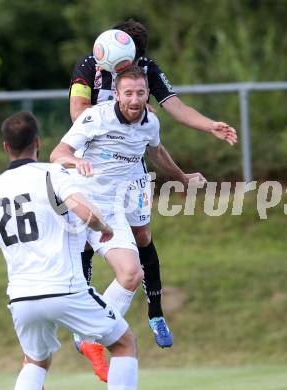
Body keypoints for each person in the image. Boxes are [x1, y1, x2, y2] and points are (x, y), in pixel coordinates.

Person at [69, 18, 237, 371]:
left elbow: (174, 107)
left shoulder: (146, 68)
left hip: (131, 168)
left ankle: (155, 313)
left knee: (143, 235)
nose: (128, 70)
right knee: (86, 238)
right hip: (93, 165)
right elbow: (76, 112)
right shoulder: (91, 63)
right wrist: (114, 120)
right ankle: (84, 317)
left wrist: (210, 125)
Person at [51, 65, 206, 377]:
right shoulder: (97, 117)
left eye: (140, 92)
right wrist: (75, 159)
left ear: (147, 94)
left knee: (131, 274)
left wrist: (182, 177)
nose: (134, 99)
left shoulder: (150, 123)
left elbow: (158, 151)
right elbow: (58, 153)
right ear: (117, 94)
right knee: (59, 282)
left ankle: (87, 333)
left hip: (112, 210)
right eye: (128, 93)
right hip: (81, 205)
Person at [0, 111, 139, 390]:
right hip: (64, 288)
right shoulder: (51, 173)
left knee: (36, 361)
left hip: (22, 297)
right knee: (124, 344)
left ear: (6, 147)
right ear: (38, 143)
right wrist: (102, 227)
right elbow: (84, 210)